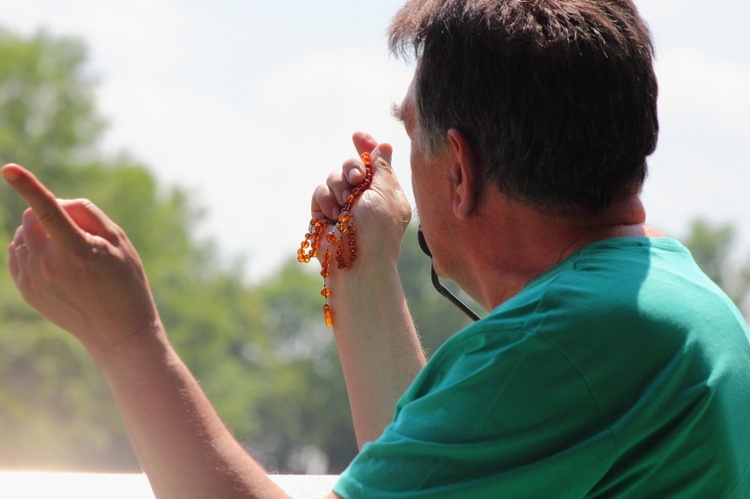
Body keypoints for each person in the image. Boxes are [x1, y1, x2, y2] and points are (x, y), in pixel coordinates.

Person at [3, 0, 750, 497]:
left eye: (412, 128)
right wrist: (361, 269)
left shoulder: (569, 349)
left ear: (459, 168)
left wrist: (128, 339)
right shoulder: (670, 304)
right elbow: (417, 466)